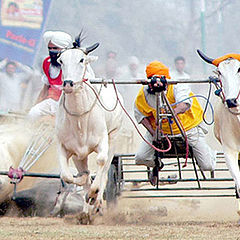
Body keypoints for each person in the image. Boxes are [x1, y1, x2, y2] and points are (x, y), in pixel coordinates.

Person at [134, 61, 216, 177]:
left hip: (188, 128)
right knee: (140, 158)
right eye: (153, 81)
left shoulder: (177, 86)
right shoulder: (145, 92)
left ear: (166, 79)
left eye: (159, 81)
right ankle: (157, 164)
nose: (157, 85)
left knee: (207, 166)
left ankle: (210, 154)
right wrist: (153, 132)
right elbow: (140, 114)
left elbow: (185, 105)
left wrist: (172, 113)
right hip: (159, 130)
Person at [28, 31, 73, 120]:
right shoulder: (47, 63)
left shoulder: (72, 65)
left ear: (64, 48)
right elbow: (45, 89)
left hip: (70, 105)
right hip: (53, 102)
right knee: (33, 113)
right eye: (50, 48)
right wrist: (35, 106)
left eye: (55, 48)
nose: (52, 51)